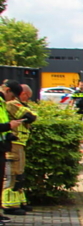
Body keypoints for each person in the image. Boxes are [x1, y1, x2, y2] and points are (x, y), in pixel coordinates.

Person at [3, 85, 37, 214]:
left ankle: (18, 202)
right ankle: (9, 205)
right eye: (27, 96)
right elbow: (30, 116)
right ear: (22, 93)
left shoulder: (19, 104)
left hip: (20, 143)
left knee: (19, 174)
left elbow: (31, 115)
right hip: (13, 142)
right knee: (13, 174)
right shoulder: (13, 104)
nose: (28, 99)